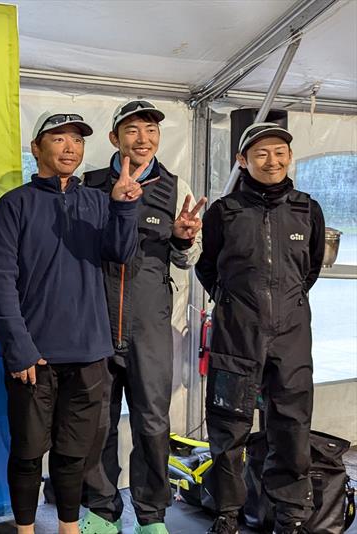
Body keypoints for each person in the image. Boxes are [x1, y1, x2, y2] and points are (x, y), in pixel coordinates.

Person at [0, 111, 143, 534]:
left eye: (77, 139)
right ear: (37, 148)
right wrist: (18, 347)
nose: (70, 146)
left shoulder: (97, 199)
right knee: (28, 452)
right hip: (34, 358)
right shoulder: (14, 204)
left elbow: (121, 253)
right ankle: (25, 529)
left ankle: (68, 527)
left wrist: (126, 208)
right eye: (58, 138)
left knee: (75, 454)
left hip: (91, 353)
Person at [80, 100, 205, 534]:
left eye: (151, 130)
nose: (144, 139)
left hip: (150, 326)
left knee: (153, 422)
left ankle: (151, 516)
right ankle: (100, 509)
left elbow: (186, 261)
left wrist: (186, 240)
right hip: (96, 322)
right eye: (133, 130)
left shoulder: (176, 187)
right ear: (115, 138)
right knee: (98, 423)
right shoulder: (90, 184)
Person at [196, 123, 325, 534]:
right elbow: (207, 266)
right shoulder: (224, 211)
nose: (273, 161)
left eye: (280, 152)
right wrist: (234, 303)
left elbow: (311, 269)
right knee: (229, 427)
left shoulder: (307, 209)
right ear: (243, 160)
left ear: (289, 157)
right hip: (237, 335)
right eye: (262, 154)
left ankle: (290, 515)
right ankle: (228, 512)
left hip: (291, 337)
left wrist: (284, 305)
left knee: (291, 425)